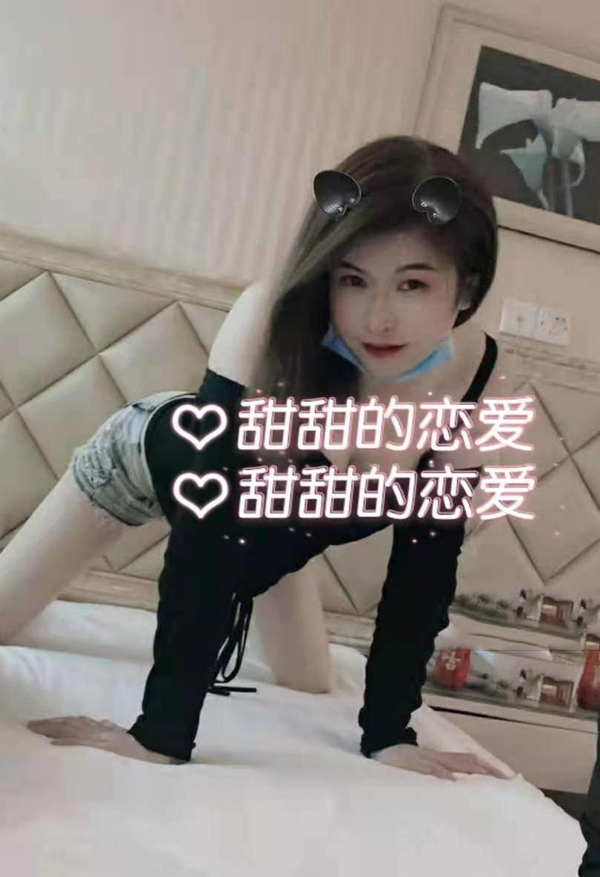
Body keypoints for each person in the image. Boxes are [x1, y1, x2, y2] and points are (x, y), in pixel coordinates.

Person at [2, 134, 514, 780]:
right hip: (157, 465)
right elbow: (207, 537)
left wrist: (391, 735)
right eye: (352, 280)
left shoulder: (474, 373)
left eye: (413, 283)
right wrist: (161, 735)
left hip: (272, 530)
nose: (377, 318)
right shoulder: (270, 315)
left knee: (310, 684)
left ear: (467, 287)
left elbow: (426, 566)